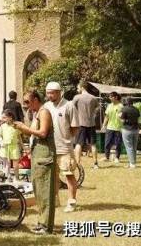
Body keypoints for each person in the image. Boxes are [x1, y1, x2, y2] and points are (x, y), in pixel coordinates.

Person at [12, 89, 55, 235]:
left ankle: (46, 226)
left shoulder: (44, 112)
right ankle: (42, 222)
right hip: (38, 155)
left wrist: (25, 128)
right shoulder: (36, 113)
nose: (25, 105)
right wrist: (19, 127)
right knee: (39, 191)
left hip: (44, 157)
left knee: (45, 192)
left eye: (27, 101)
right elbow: (32, 133)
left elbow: (43, 133)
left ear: (35, 100)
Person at [43, 82, 78, 213]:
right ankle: (55, 200)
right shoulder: (46, 106)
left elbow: (75, 127)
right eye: (48, 93)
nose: (49, 95)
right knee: (53, 176)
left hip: (65, 147)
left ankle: (71, 201)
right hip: (50, 147)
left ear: (59, 93)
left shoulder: (69, 105)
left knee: (68, 175)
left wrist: (67, 139)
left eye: (52, 93)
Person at [70, 81, 101, 169]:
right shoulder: (93, 98)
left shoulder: (77, 97)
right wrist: (92, 114)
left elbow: (71, 108)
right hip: (91, 124)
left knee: (78, 144)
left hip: (80, 124)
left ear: (82, 87)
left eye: (78, 88)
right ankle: (95, 164)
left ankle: (78, 164)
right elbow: (98, 108)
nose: (77, 89)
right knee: (93, 144)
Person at [0, 109, 22, 182]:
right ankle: (7, 177)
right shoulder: (2, 126)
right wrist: (1, 142)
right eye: (3, 117)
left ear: (10, 117)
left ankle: (16, 177)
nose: (3, 119)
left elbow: (19, 137)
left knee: (15, 164)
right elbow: (0, 136)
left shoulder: (16, 126)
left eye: (5, 117)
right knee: (7, 164)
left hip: (14, 146)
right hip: (5, 147)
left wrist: (23, 146)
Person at [102, 92, 124, 163]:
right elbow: (106, 116)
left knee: (118, 144)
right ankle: (106, 157)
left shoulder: (121, 106)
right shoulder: (109, 105)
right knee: (107, 143)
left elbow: (123, 117)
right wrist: (104, 125)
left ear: (116, 97)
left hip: (118, 128)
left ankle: (117, 158)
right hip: (109, 127)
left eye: (111, 97)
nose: (110, 98)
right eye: (109, 97)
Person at [120, 98, 141, 168]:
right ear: (132, 102)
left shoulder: (124, 109)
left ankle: (132, 163)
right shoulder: (136, 109)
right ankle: (132, 162)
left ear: (126, 102)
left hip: (127, 129)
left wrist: (119, 117)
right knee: (134, 147)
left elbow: (123, 121)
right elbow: (138, 118)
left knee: (129, 147)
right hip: (136, 129)